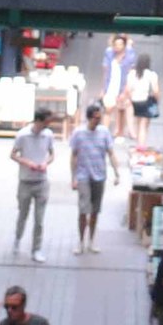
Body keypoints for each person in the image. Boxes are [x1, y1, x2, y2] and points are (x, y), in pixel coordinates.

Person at [67, 102, 119, 254]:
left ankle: (91, 240)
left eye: (100, 117)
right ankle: (81, 241)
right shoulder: (78, 133)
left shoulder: (104, 132)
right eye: (96, 118)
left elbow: (111, 153)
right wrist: (73, 177)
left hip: (99, 175)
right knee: (83, 210)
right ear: (89, 118)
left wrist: (117, 172)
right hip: (83, 175)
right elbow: (74, 156)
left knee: (95, 211)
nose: (99, 120)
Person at [7, 107, 57, 259]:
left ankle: (36, 248)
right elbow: (13, 154)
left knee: (39, 218)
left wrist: (45, 163)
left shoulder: (48, 135)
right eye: (46, 122)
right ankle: (17, 238)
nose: (48, 126)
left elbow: (52, 154)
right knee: (23, 213)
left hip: (42, 181)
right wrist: (27, 162)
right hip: (26, 180)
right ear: (38, 121)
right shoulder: (23, 135)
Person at [124, 61, 162, 148]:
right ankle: (141, 146)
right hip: (146, 101)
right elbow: (156, 91)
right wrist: (157, 100)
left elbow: (128, 89)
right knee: (144, 126)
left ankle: (138, 144)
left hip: (135, 101)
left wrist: (129, 98)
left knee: (138, 123)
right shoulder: (152, 74)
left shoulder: (132, 73)